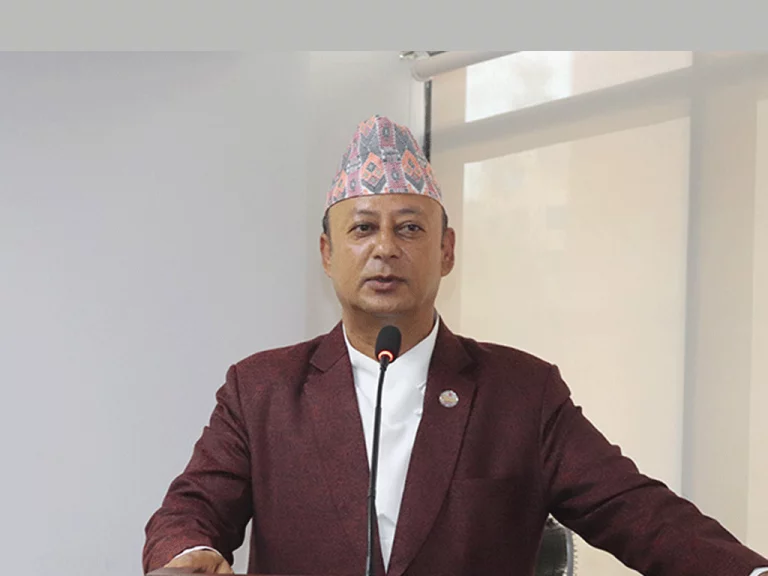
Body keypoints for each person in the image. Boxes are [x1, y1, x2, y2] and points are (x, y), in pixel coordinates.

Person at [142, 114, 768, 576]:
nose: (385, 248)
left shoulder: (523, 392)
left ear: (446, 251)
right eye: (363, 228)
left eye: (410, 228)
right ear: (327, 254)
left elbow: (634, 510)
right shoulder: (262, 388)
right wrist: (188, 552)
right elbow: (191, 507)